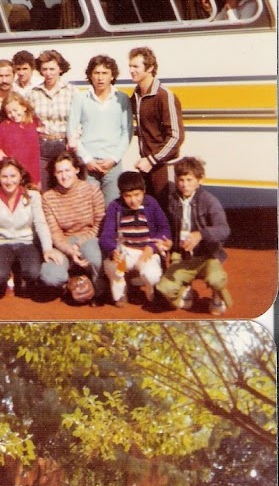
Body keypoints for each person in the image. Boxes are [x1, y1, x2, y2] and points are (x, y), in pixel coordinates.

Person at [0, 156, 63, 300]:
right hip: (1, 243)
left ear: (21, 176)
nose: (9, 181)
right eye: (4, 176)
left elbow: (41, 224)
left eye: (13, 176)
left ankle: (19, 272)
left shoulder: (33, 196)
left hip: (26, 242)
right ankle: (7, 273)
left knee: (33, 273)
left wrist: (47, 249)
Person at [156, 156, 232, 315]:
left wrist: (201, 234)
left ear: (200, 180)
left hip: (207, 256)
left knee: (216, 280)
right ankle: (186, 287)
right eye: (181, 179)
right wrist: (169, 243)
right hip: (184, 257)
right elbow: (168, 227)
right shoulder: (172, 199)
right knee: (164, 289)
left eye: (189, 179)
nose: (184, 184)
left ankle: (217, 295)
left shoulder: (210, 201)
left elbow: (224, 230)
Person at [40, 150, 106, 303]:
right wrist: (70, 250)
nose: (64, 176)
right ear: (54, 174)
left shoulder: (92, 190)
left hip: (88, 239)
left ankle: (97, 289)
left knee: (95, 258)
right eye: (59, 172)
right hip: (64, 243)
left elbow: (99, 225)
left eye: (67, 170)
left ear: (76, 169)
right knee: (49, 276)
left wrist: (79, 244)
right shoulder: (48, 197)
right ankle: (71, 284)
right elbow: (55, 233)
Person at [67, 54, 132, 206]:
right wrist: (87, 159)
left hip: (112, 165)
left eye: (105, 73)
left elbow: (127, 132)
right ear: (90, 75)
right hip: (88, 165)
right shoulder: (80, 98)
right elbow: (72, 131)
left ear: (112, 75)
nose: (100, 78)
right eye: (96, 73)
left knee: (113, 208)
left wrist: (114, 158)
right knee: (89, 209)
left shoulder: (122, 98)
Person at [99, 170, 172, 307]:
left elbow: (165, 229)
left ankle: (150, 289)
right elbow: (106, 235)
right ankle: (121, 292)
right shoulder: (115, 207)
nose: (133, 200)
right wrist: (113, 251)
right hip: (125, 251)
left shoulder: (151, 204)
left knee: (152, 275)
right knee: (112, 267)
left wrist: (152, 248)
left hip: (146, 250)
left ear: (144, 191)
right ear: (121, 195)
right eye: (128, 196)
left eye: (137, 195)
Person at [128, 46, 185, 208]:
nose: (131, 71)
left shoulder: (164, 96)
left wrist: (152, 160)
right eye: (130, 66)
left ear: (150, 68)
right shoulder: (137, 96)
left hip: (163, 167)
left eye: (135, 67)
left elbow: (176, 137)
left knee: (168, 214)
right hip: (146, 166)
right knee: (151, 215)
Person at [30, 49, 74, 190]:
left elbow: (80, 120)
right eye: (44, 69)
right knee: (43, 187)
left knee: (66, 187)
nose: (48, 73)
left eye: (52, 69)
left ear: (60, 69)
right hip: (42, 145)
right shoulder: (34, 93)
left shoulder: (72, 91)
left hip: (64, 145)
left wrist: (74, 139)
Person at [0, 92, 41, 187]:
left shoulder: (31, 126)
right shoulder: (4, 126)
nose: (13, 114)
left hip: (25, 175)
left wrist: (35, 180)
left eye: (15, 110)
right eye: (9, 112)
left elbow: (34, 155)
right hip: (8, 173)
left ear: (24, 107)